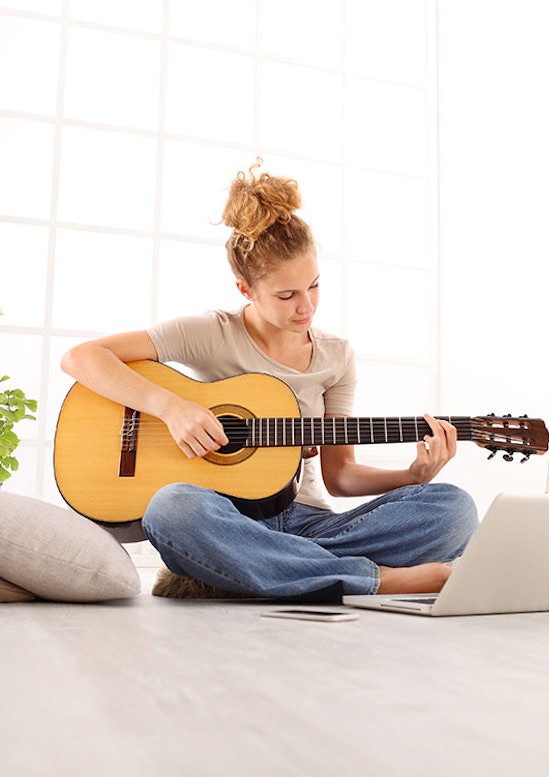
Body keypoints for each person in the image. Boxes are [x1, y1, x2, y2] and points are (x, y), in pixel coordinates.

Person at [59, 160, 478, 599]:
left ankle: (251, 568)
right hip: (221, 515)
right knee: (170, 509)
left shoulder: (336, 357)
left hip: (306, 520)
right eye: (287, 295)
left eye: (314, 286)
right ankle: (373, 579)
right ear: (246, 289)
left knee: (454, 510)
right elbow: (82, 357)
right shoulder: (210, 333)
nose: (306, 306)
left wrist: (412, 475)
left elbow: (340, 477)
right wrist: (172, 407)